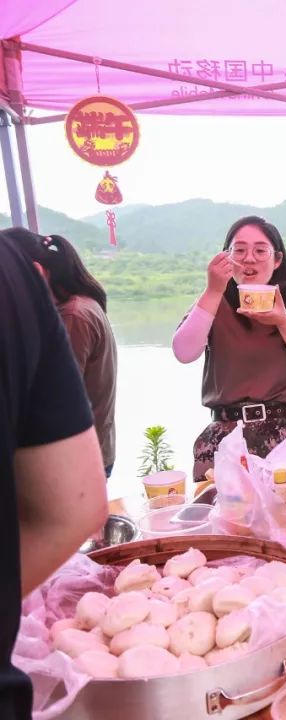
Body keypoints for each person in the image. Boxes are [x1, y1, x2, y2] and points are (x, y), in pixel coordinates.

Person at [0, 230, 108, 718]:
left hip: (71, 461)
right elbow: (76, 510)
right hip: (78, 463)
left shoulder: (73, 316)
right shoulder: (16, 283)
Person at [172, 216, 286, 482]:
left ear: (277, 260)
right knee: (227, 521)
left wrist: (282, 320)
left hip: (285, 437)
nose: (249, 259)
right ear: (226, 258)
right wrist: (212, 291)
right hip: (226, 439)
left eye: (260, 250)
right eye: (239, 250)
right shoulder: (213, 304)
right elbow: (184, 352)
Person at [5, 228, 117, 477]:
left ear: (35, 272)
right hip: (85, 454)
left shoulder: (74, 317)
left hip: (73, 463)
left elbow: (55, 397)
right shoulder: (81, 307)